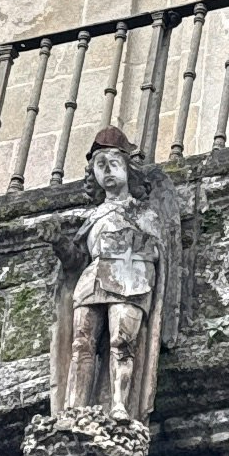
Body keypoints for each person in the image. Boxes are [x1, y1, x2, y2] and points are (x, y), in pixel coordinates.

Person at [52, 128, 165, 425]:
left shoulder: (144, 213)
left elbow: (156, 253)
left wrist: (130, 242)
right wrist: (59, 243)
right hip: (93, 279)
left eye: (113, 163)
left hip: (130, 278)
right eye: (100, 166)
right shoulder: (92, 218)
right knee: (81, 343)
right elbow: (76, 262)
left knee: (122, 341)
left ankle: (119, 405)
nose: (107, 172)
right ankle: (74, 408)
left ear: (128, 169)